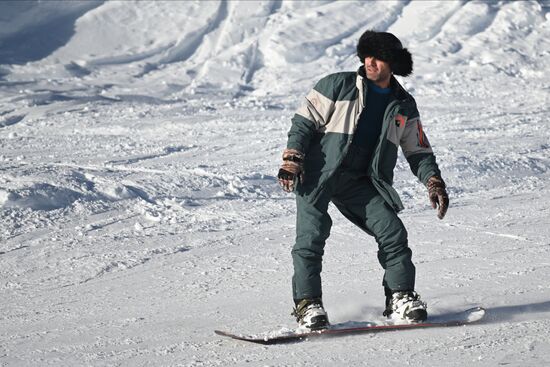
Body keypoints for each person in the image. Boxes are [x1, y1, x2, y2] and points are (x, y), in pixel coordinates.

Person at [277, 30, 449, 331]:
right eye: (366, 55)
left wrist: (433, 180)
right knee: (311, 238)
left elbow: (418, 149)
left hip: (360, 181)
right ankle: (307, 304)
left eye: (378, 56)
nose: (370, 61)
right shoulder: (337, 85)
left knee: (392, 231)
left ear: (392, 62)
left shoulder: (403, 105)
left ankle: (401, 296)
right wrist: (293, 158)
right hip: (317, 175)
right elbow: (303, 122)